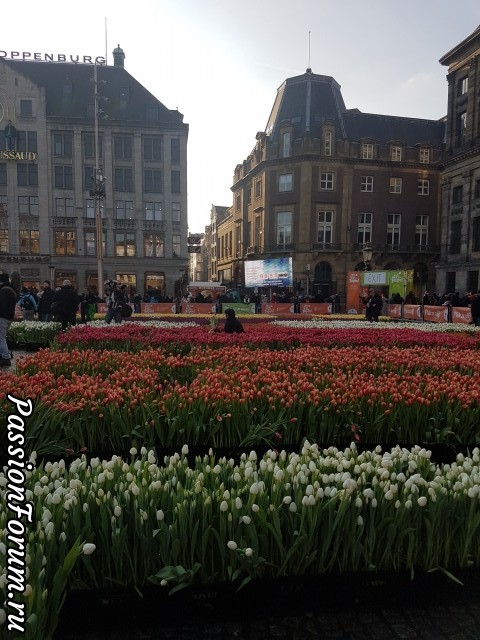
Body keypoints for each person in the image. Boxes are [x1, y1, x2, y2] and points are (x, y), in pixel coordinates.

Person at [0, 273, 16, 367]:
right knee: (2, 337)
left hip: (3, 317)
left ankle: (5, 358)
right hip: (8, 317)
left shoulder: (4, 290)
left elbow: (3, 306)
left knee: (1, 338)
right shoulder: (10, 289)